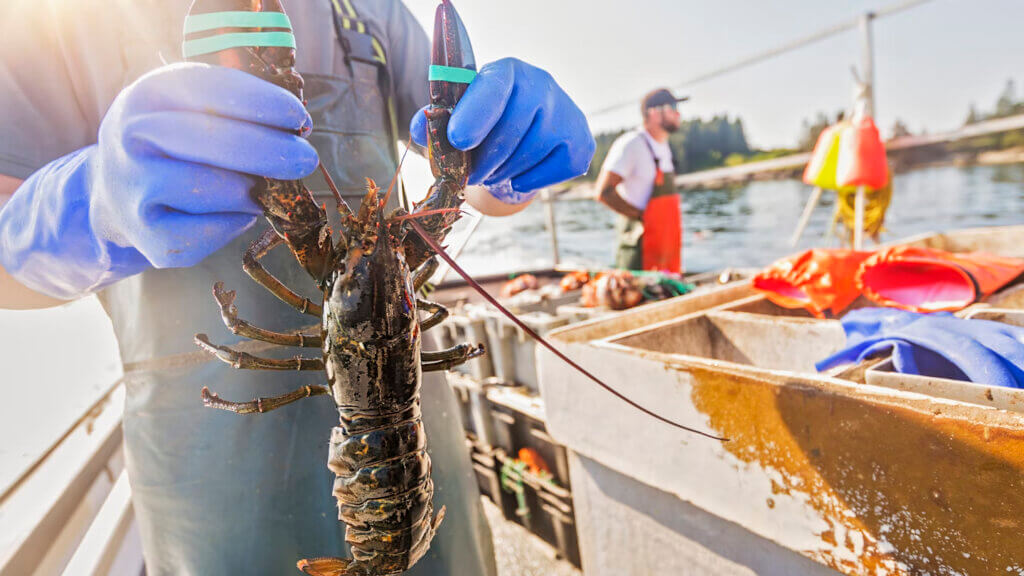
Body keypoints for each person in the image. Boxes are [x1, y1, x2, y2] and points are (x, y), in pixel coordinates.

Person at [0, 1, 595, 575]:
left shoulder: (369, 10)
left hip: (417, 460)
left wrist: (512, 161)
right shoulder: (51, 17)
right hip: (209, 477)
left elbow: (479, 177)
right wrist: (90, 202)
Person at [595, 88, 686, 271]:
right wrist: (642, 217)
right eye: (672, 106)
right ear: (653, 112)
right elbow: (603, 192)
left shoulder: (663, 146)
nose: (678, 113)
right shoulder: (631, 144)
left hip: (666, 247)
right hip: (640, 248)